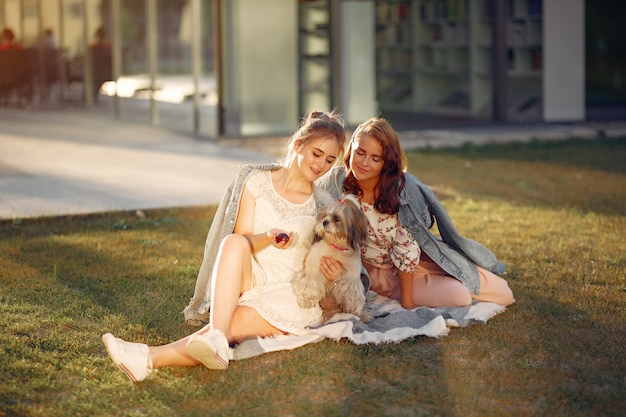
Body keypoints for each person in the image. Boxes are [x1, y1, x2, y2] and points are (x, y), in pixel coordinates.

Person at [102, 110, 347, 382]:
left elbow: (336, 250)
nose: (321, 165)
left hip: (290, 291)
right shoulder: (256, 182)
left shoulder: (322, 202)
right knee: (232, 241)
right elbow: (242, 242)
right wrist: (268, 236)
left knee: (232, 324)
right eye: (316, 154)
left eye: (329, 160)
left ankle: (149, 358)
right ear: (298, 144)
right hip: (251, 277)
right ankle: (210, 340)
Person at [316, 117, 515, 309]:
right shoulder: (336, 183)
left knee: (503, 294)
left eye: (375, 158)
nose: (364, 162)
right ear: (351, 149)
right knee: (460, 296)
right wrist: (407, 301)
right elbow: (309, 202)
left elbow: (406, 249)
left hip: (412, 262)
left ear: (386, 162)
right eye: (360, 152)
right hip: (375, 273)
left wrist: (409, 299)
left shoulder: (401, 191)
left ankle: (442, 275)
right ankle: (417, 287)